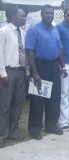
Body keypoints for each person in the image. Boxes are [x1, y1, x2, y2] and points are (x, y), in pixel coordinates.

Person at [25, 4, 68, 140]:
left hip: (54, 66)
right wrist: (35, 72)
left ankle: (51, 125)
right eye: (47, 13)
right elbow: (30, 52)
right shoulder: (34, 30)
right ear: (42, 14)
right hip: (40, 67)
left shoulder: (55, 30)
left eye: (51, 13)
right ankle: (34, 129)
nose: (50, 15)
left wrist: (63, 67)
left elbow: (60, 49)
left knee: (54, 98)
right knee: (38, 99)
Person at [0, 7, 27, 148]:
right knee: (4, 105)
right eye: (22, 16)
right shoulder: (3, 31)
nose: (25, 18)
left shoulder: (23, 33)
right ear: (13, 17)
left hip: (21, 72)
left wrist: (27, 72)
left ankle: (13, 131)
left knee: (18, 104)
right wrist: (3, 74)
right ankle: (1, 135)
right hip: (8, 72)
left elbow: (25, 54)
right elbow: (0, 55)